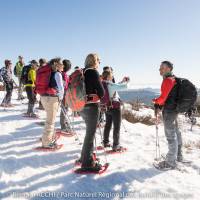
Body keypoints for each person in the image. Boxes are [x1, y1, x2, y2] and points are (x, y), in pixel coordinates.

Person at [153, 61, 183, 169]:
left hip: (169, 111)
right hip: (175, 110)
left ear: (169, 69)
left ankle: (170, 162)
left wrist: (155, 102)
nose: (160, 70)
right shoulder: (174, 79)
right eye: (160, 68)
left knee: (171, 136)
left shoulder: (167, 80)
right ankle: (178, 156)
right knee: (176, 133)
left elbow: (163, 98)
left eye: (162, 68)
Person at [78, 53, 104, 172]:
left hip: (81, 106)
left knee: (89, 133)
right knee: (90, 134)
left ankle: (84, 157)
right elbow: (101, 93)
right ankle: (87, 163)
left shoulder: (82, 72)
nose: (99, 62)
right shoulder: (93, 72)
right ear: (94, 61)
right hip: (92, 107)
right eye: (98, 60)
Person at [101, 70, 129, 151]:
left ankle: (105, 142)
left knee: (108, 125)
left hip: (107, 107)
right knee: (116, 127)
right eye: (111, 75)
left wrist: (122, 81)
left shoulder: (103, 84)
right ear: (108, 77)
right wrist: (127, 81)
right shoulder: (110, 85)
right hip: (115, 108)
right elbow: (124, 87)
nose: (113, 76)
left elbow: (116, 85)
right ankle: (116, 145)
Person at [40, 58, 64, 148]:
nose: (63, 65)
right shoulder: (57, 74)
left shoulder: (47, 73)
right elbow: (60, 88)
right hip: (52, 99)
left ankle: (48, 138)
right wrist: (61, 98)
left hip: (43, 97)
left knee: (49, 119)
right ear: (57, 65)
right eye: (62, 64)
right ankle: (46, 142)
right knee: (50, 121)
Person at [60, 59, 72, 133]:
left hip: (63, 94)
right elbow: (64, 85)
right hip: (64, 94)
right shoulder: (64, 74)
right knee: (64, 110)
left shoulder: (62, 73)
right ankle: (63, 126)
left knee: (65, 110)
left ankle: (65, 124)